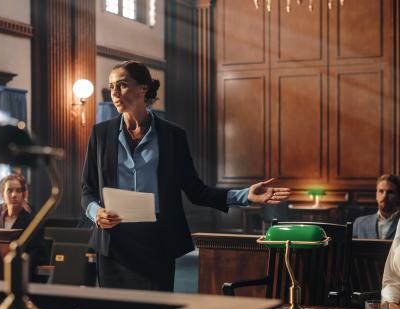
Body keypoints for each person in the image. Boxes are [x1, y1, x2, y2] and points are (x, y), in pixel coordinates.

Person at [81, 60, 291, 291]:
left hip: (156, 243)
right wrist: (96, 212)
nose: (115, 93)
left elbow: (196, 191)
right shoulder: (100, 134)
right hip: (114, 245)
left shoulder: (172, 136)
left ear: (143, 88)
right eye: (111, 87)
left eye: (122, 85)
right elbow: (87, 190)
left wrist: (245, 195)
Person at [0, 174, 45, 282]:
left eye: (19, 191)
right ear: (2, 194)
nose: (14, 195)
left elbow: (37, 253)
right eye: (9, 191)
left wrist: (18, 274)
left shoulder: (33, 218)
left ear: (24, 194)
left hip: (19, 274)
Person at [353, 174, 400, 239]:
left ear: (398, 196)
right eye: (381, 191)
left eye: (390, 192)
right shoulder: (359, 224)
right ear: (376, 195)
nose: (384, 196)